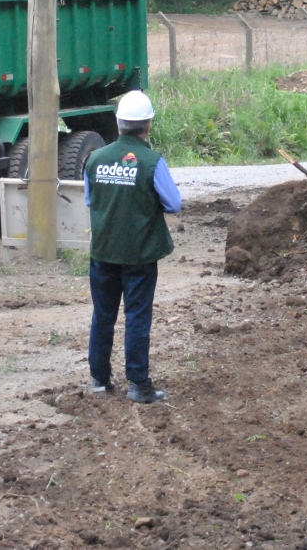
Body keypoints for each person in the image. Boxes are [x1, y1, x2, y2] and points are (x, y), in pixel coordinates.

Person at [82, 90, 182, 403]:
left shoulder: (96, 158)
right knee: (137, 317)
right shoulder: (152, 161)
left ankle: (99, 379)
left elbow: (89, 199)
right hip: (139, 255)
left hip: (103, 252)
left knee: (103, 315)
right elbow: (174, 203)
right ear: (147, 124)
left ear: (119, 122)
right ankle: (138, 384)